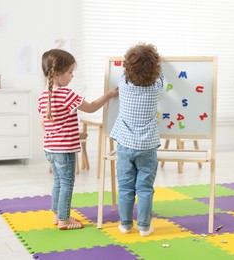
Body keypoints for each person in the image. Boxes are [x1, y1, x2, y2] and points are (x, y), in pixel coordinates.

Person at [38, 49, 118, 230]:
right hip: (64, 150)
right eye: (70, 72)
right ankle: (64, 221)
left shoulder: (43, 96)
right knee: (67, 183)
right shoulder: (67, 94)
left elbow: (43, 123)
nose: (72, 76)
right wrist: (108, 95)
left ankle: (57, 215)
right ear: (58, 74)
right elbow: (90, 108)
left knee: (58, 182)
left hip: (49, 148)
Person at [110, 43, 163, 237]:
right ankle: (144, 227)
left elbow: (126, 71)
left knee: (125, 187)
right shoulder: (156, 86)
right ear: (154, 68)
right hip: (147, 147)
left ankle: (125, 225)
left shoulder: (123, 83)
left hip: (125, 145)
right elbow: (161, 74)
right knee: (145, 188)